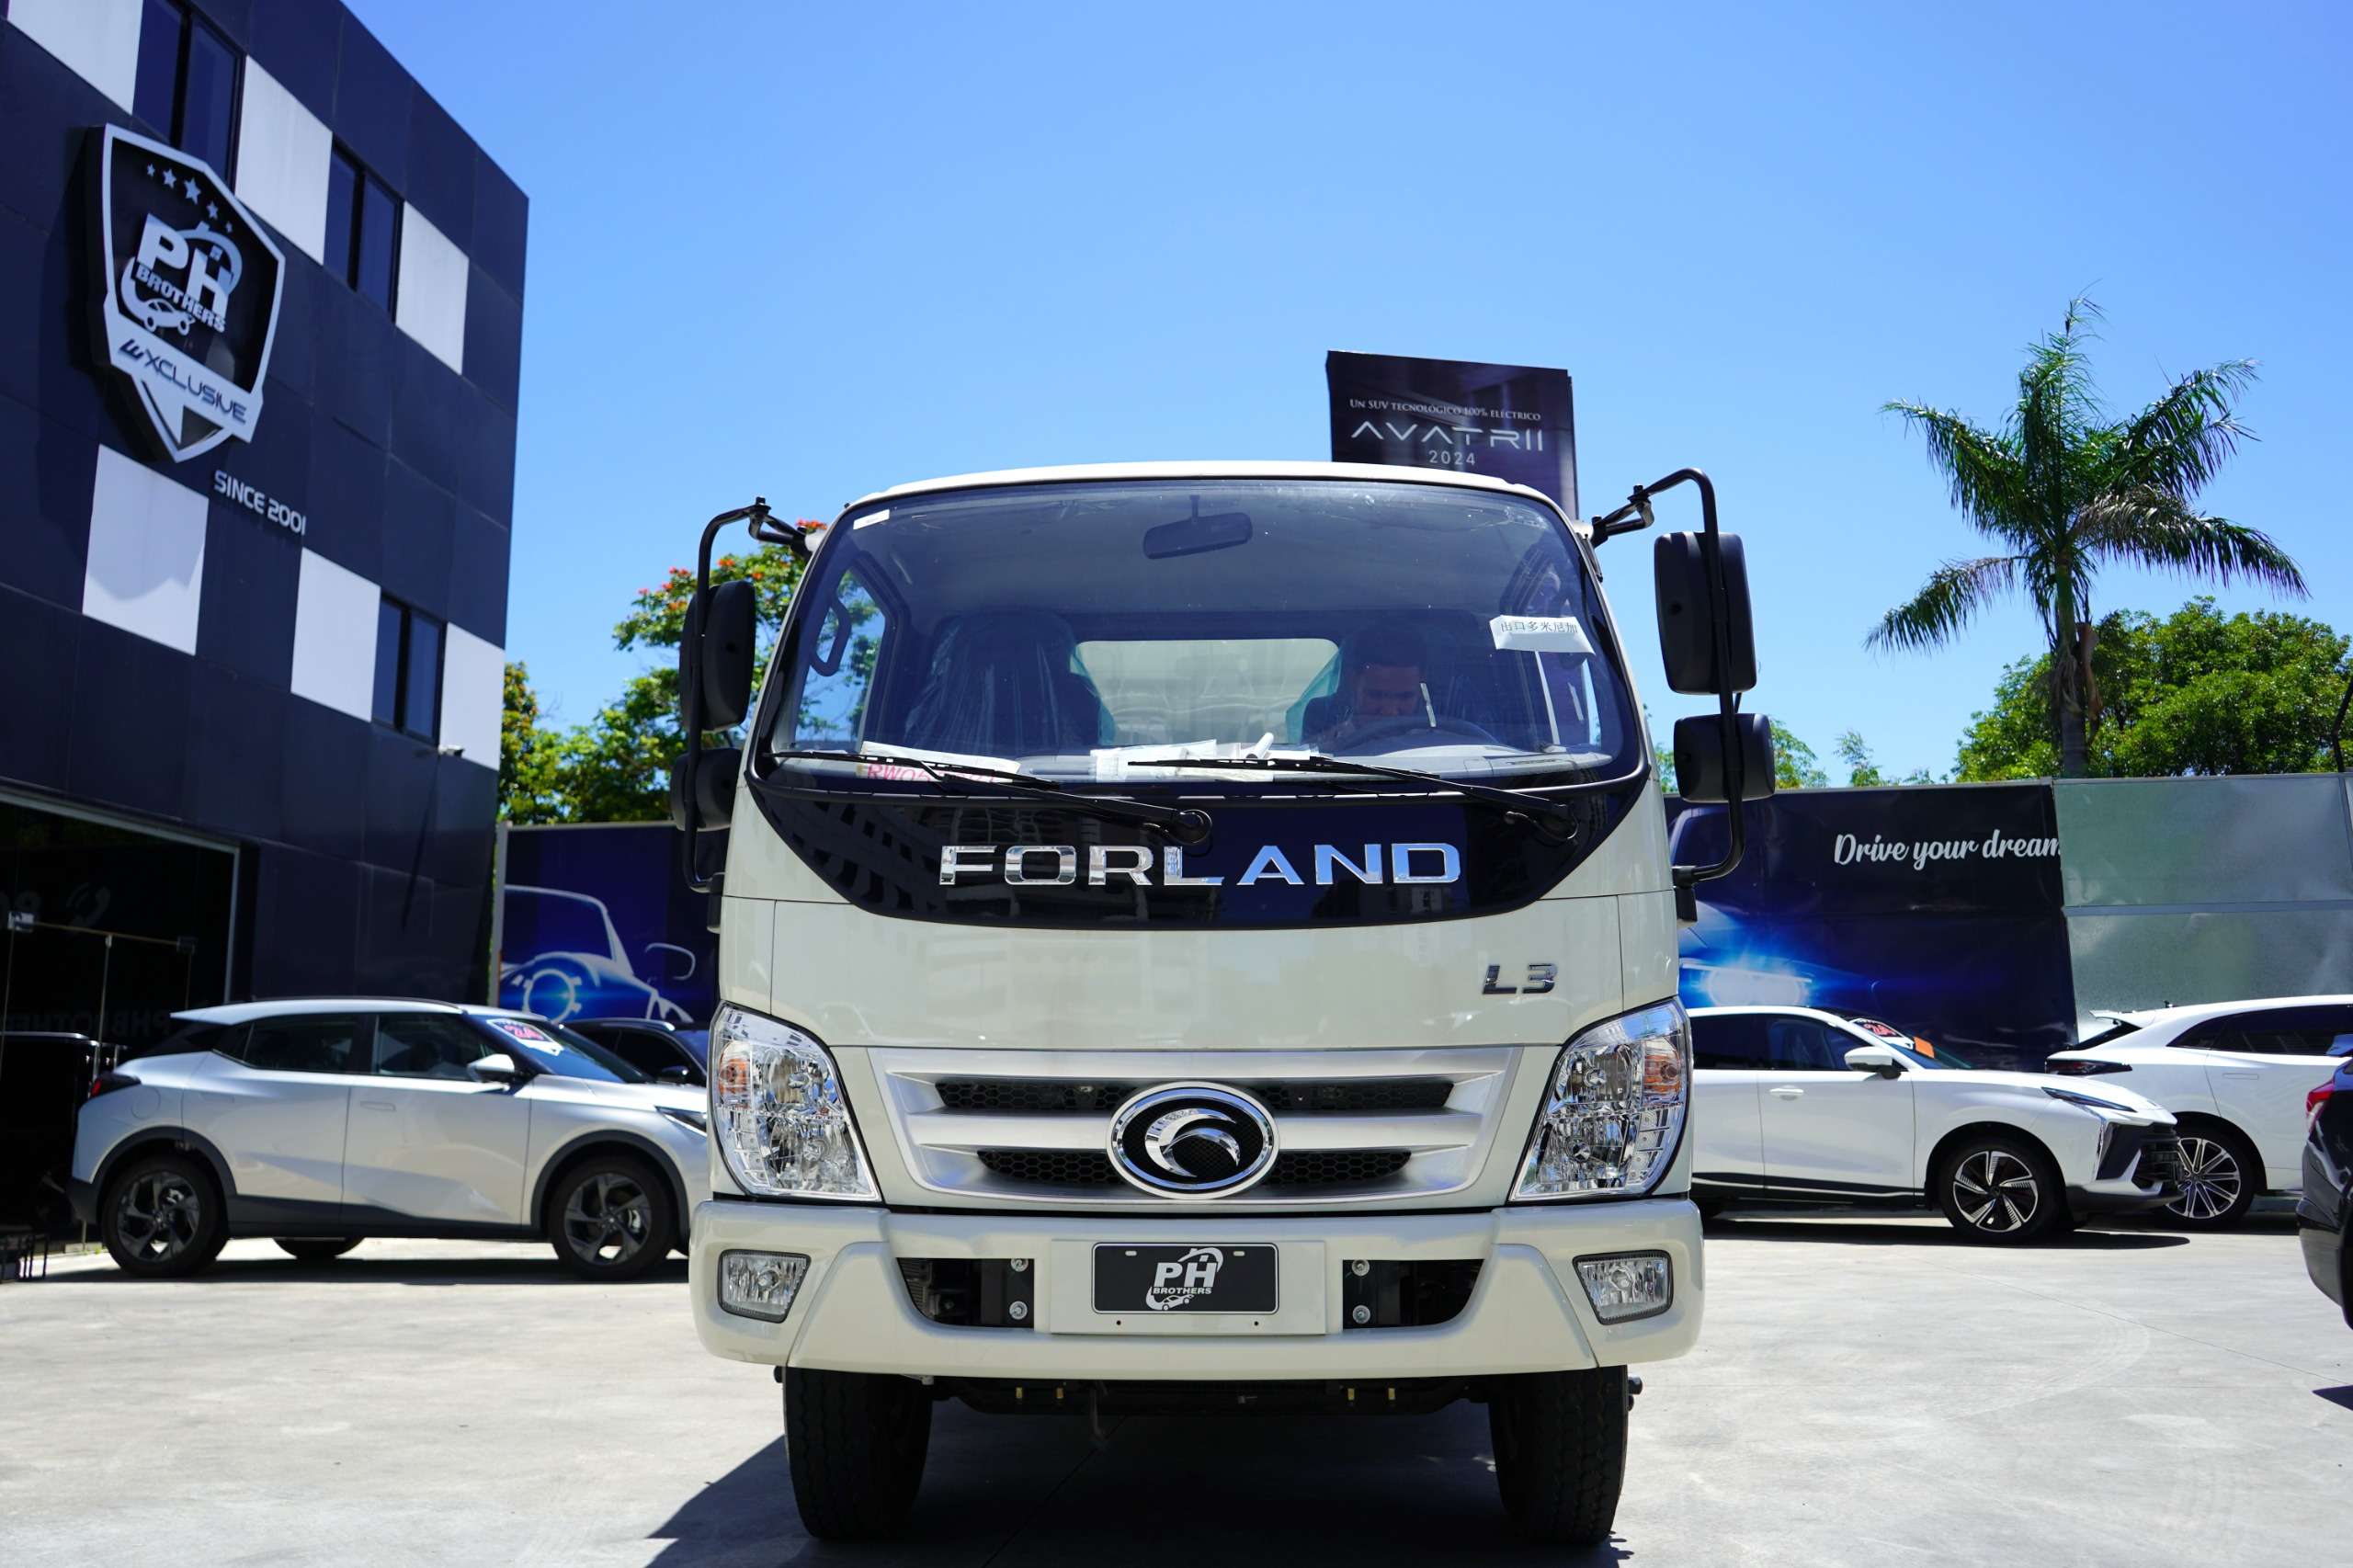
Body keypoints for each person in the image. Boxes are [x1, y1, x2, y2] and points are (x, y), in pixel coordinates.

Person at [1309, 627, 1429, 751]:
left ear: (1421, 687)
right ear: (1353, 683)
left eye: (1405, 697)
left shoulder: (1439, 740)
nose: (1390, 711)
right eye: (1376, 696)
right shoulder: (1323, 720)